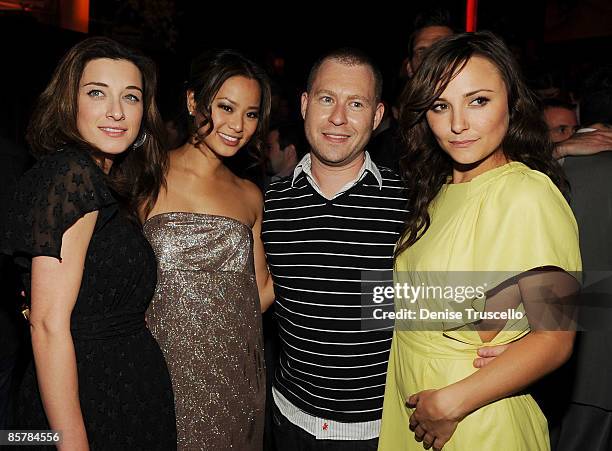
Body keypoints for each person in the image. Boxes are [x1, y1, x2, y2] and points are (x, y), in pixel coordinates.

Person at [379, 31, 581, 451]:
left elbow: (557, 337)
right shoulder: (436, 192)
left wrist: (451, 403)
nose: (457, 124)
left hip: (473, 417)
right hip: (415, 403)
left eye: (478, 101)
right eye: (440, 106)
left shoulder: (528, 193)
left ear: (512, 101)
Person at [0, 37, 176, 450]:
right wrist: (71, 440)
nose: (116, 111)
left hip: (118, 390)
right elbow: (46, 324)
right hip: (86, 402)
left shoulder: (104, 182)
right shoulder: (71, 176)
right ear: (68, 103)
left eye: (130, 97)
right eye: (97, 93)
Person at [262, 48, 409, 450]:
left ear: (377, 116)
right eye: (327, 99)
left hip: (377, 432)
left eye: (356, 103)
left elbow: (436, 310)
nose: (339, 117)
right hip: (286, 420)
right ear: (305, 104)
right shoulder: (269, 201)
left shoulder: (410, 204)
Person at [143, 49, 274, 450]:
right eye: (226, 107)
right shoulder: (145, 177)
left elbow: (263, 289)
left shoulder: (250, 194)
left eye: (251, 114)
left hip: (233, 372)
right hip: (158, 366)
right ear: (192, 102)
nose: (238, 125)